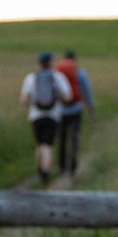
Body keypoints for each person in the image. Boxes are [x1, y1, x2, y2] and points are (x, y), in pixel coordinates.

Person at [21, 51, 66, 181]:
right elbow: (67, 96)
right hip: (53, 115)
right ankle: (45, 173)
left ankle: (39, 169)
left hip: (35, 115)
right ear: (50, 63)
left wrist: (30, 108)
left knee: (39, 143)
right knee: (47, 144)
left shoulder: (31, 78)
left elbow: (24, 99)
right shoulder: (57, 77)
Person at [53, 49, 95, 178]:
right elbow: (87, 92)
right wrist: (91, 110)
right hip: (76, 109)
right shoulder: (80, 72)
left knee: (62, 138)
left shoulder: (57, 72)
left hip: (60, 110)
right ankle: (73, 167)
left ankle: (61, 166)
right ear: (74, 60)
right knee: (74, 138)